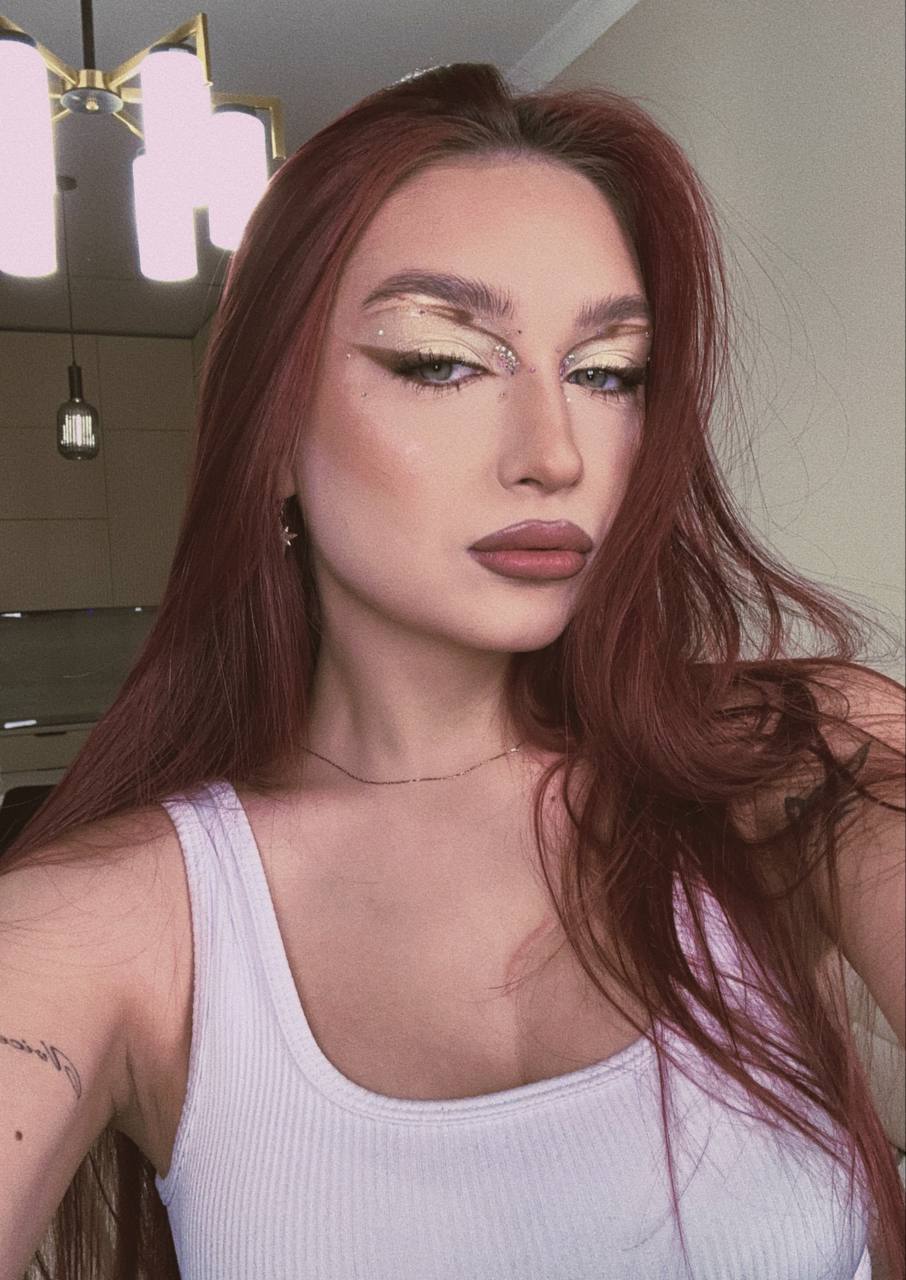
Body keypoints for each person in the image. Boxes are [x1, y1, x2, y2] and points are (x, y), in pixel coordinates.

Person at [1, 61, 904, 1280]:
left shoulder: (795, 765)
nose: (555, 452)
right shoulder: (113, 923)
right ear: (271, 433)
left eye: (609, 372)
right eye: (441, 359)